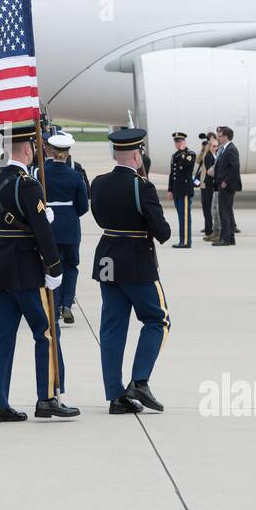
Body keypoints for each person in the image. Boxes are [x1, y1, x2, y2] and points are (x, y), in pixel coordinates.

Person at [0, 124, 78, 421]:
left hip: (1, 264)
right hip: (26, 268)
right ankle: (47, 397)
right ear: (27, 149)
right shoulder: (27, 183)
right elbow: (41, 234)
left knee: (1, 337)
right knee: (46, 332)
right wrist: (54, 267)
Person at [90, 128, 172, 413]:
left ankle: (115, 395)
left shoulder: (98, 183)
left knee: (112, 327)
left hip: (107, 257)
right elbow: (162, 231)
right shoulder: (142, 186)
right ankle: (139, 380)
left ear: (116, 154)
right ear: (137, 155)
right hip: (136, 260)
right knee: (158, 320)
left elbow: (99, 217)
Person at [43, 130, 89, 324]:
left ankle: (53, 306)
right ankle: (67, 305)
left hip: (49, 225)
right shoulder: (76, 175)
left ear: (51, 151)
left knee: (53, 267)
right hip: (70, 226)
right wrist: (70, 215)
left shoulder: (41, 173)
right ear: (68, 152)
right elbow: (83, 206)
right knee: (71, 266)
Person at [166, 131, 198, 248]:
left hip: (184, 190)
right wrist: (170, 189)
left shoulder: (190, 154)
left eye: (179, 141)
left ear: (184, 142)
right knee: (180, 216)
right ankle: (182, 240)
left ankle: (185, 242)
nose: (177, 143)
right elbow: (172, 174)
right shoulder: (174, 155)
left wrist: (183, 152)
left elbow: (185, 165)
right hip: (176, 190)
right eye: (176, 142)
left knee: (184, 217)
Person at [211, 126, 241, 246]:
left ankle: (226, 238)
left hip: (227, 186)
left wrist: (225, 181)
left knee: (224, 211)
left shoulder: (231, 149)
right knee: (226, 211)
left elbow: (235, 167)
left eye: (220, 136)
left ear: (226, 137)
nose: (218, 138)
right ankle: (230, 237)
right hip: (223, 184)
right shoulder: (224, 149)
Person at [197, 134, 218, 239]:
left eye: (216, 146)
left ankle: (209, 228)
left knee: (209, 208)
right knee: (207, 207)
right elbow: (210, 171)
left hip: (210, 185)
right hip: (206, 185)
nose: (215, 148)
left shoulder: (214, 155)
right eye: (213, 146)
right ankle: (208, 230)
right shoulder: (208, 156)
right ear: (209, 147)